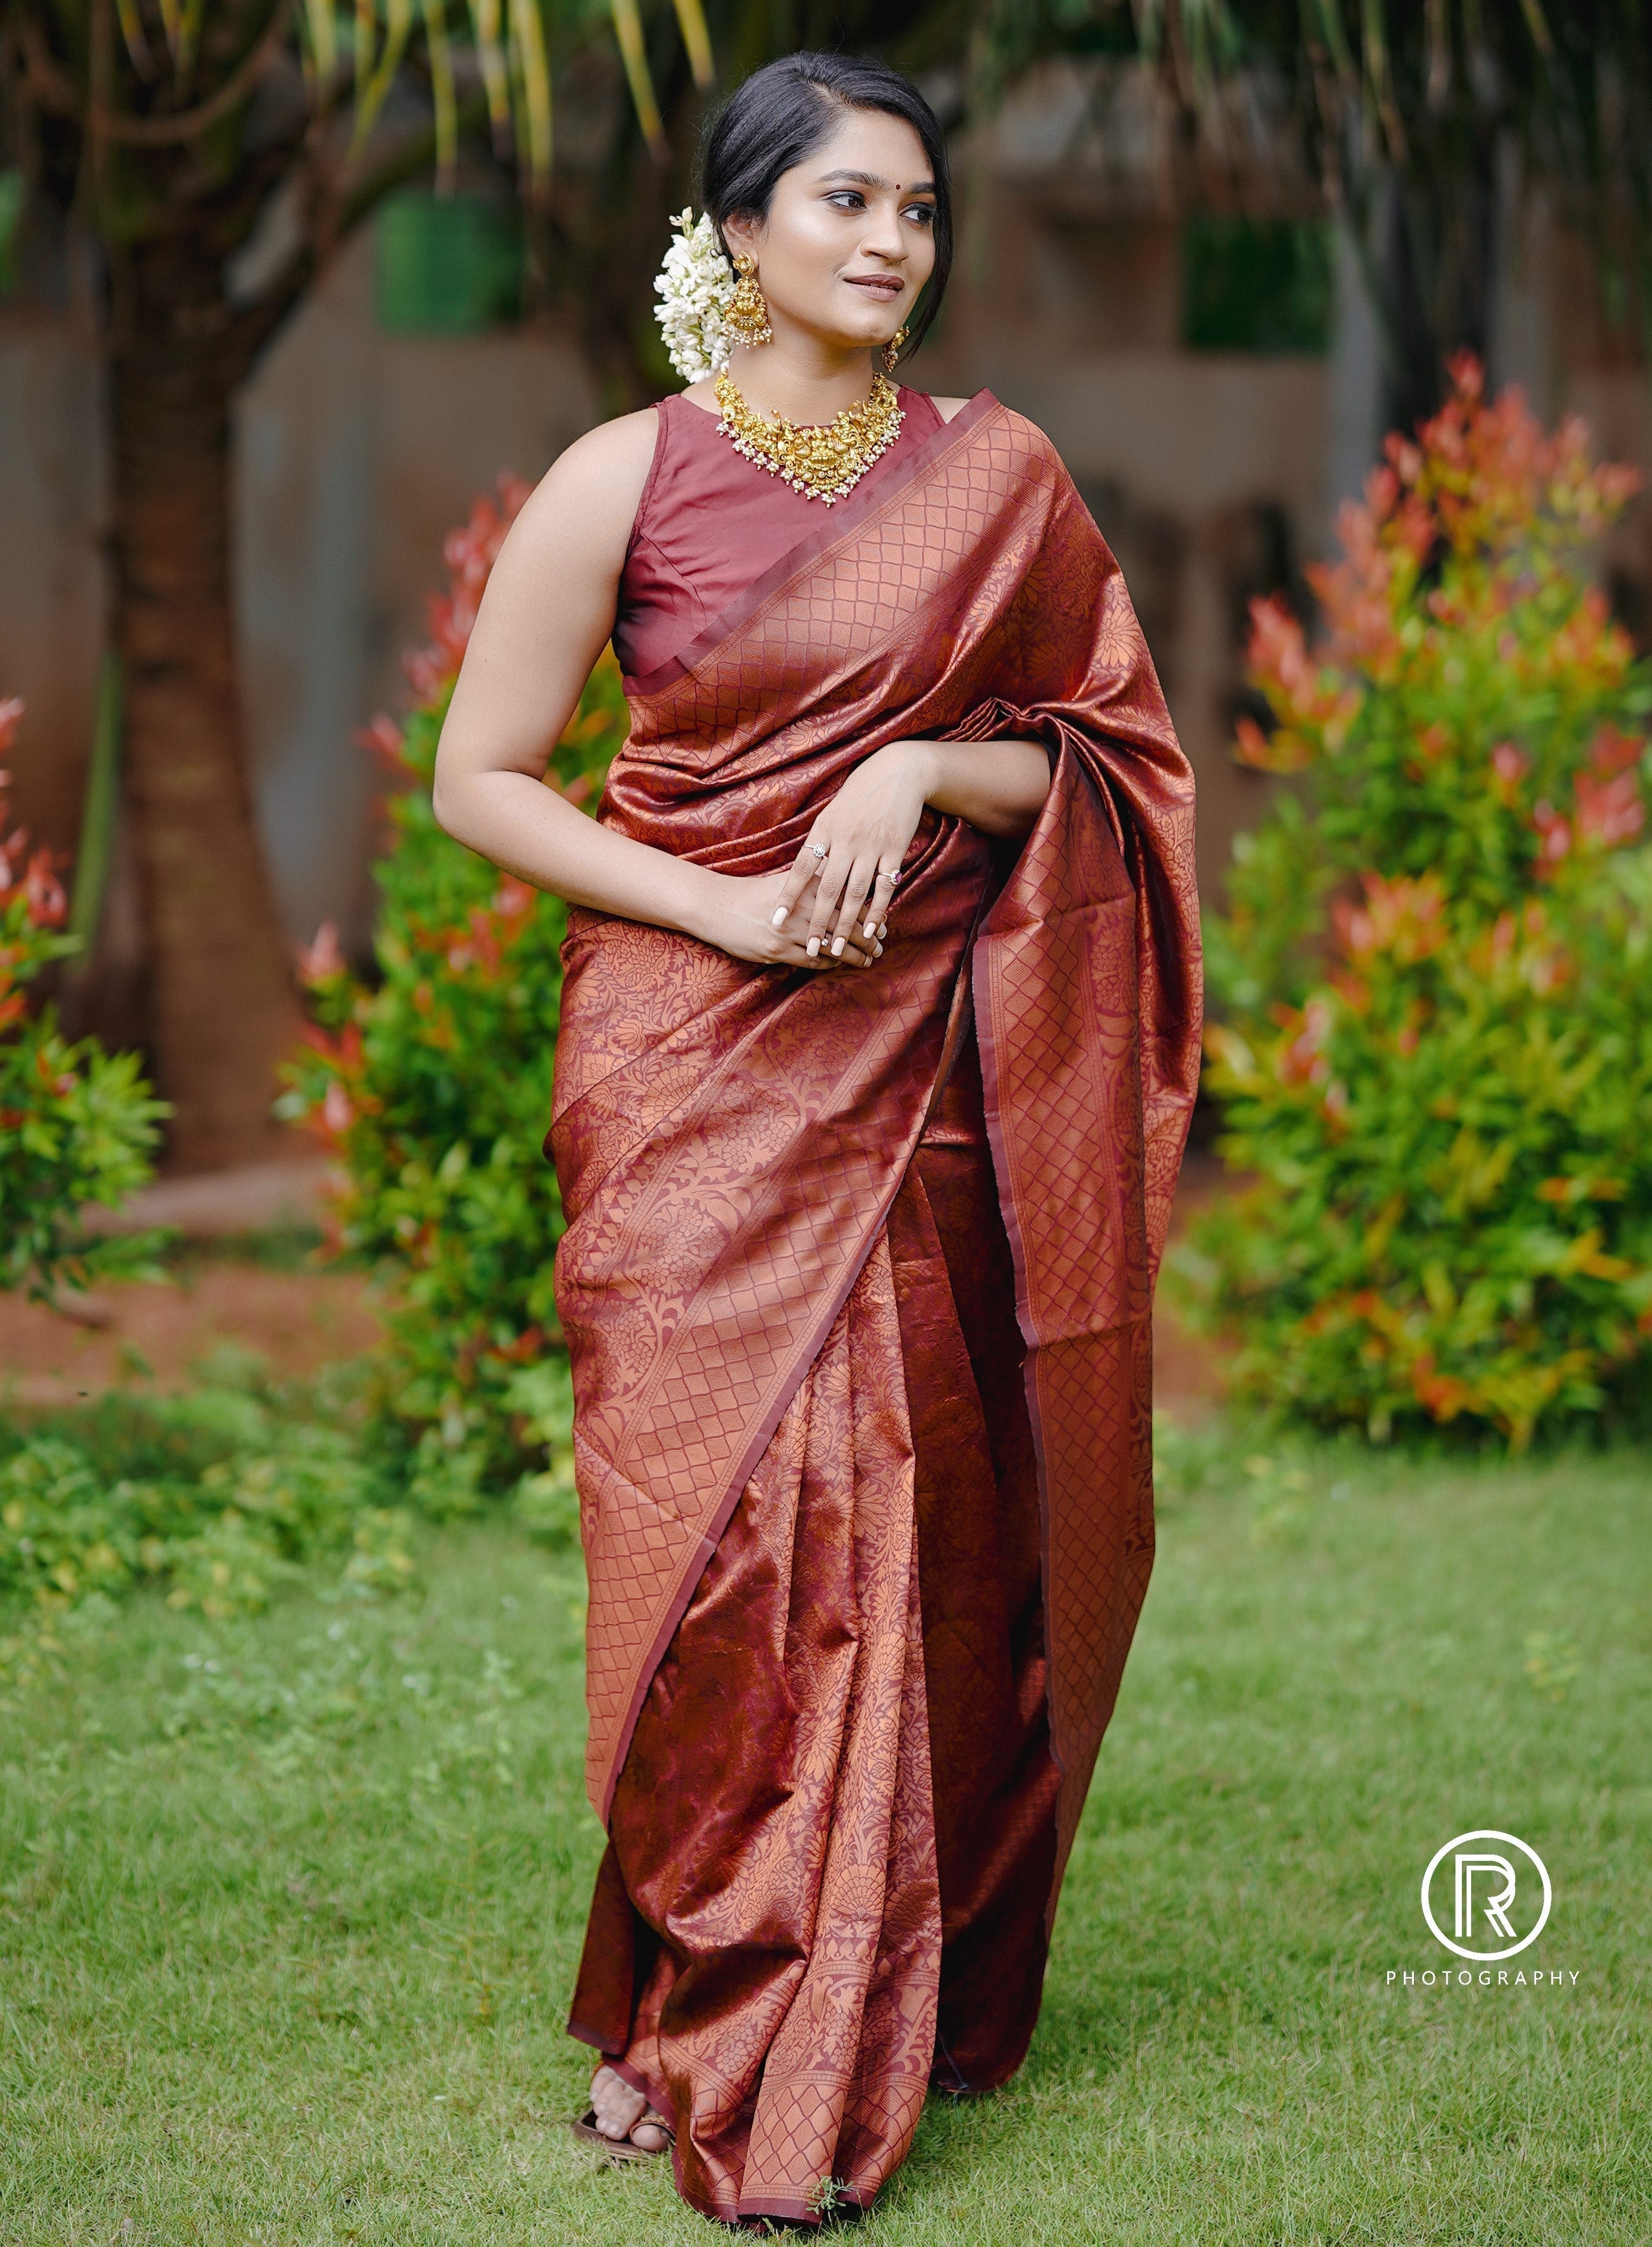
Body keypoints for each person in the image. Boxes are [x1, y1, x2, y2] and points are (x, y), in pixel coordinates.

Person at [432, 49, 1201, 2229]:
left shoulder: (999, 477)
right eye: (849, 201)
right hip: (688, 1062)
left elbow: (1104, 773)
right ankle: (704, 1996)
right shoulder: (626, 476)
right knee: (719, 1557)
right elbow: (484, 778)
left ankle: (827, 1999)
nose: (891, 242)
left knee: (935, 1547)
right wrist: (725, 906)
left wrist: (924, 770)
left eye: (920, 211)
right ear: (740, 225)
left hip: (932, 1086)